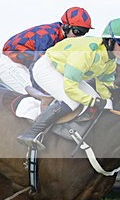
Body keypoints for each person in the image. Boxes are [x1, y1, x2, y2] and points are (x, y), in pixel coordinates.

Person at [17, 18, 120, 149]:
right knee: (72, 100)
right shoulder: (86, 54)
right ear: (110, 41)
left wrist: (107, 101)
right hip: (47, 68)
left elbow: (104, 85)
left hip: (65, 71)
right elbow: (70, 89)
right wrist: (94, 102)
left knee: (99, 99)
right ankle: (31, 133)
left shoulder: (110, 61)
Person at [0, 7, 93, 94]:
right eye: (78, 32)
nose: (79, 36)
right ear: (66, 26)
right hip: (11, 64)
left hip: (27, 63)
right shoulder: (48, 37)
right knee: (36, 94)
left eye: (84, 32)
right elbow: (36, 67)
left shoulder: (65, 40)